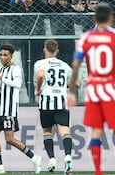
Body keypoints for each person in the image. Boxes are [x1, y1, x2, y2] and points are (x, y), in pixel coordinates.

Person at [67, 3, 115, 175]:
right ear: (112, 18)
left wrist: (72, 93)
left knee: (96, 131)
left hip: (94, 90)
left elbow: (76, 66)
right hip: (112, 89)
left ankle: (98, 171)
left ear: (94, 19)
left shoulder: (86, 38)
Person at [0, 43, 42, 174]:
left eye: (5, 55)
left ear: (11, 56)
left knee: (9, 139)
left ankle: (35, 158)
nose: (2, 57)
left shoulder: (15, 69)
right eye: (0, 55)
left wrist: (2, 78)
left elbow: (18, 84)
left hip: (9, 110)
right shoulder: (1, 69)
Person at [34, 39, 72, 174]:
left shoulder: (40, 63)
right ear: (57, 51)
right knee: (65, 131)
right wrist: (63, 86)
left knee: (47, 132)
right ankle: (67, 156)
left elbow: (40, 75)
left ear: (44, 50)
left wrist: (38, 89)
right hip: (61, 102)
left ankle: (52, 160)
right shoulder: (65, 65)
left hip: (46, 104)